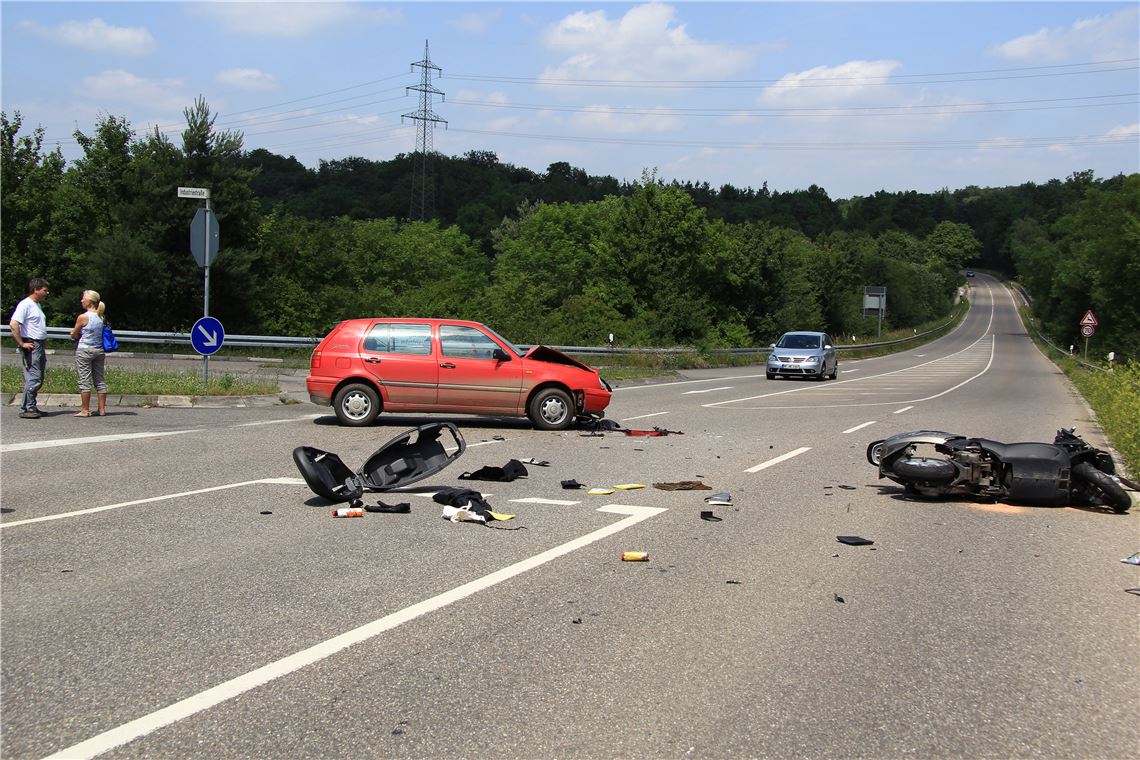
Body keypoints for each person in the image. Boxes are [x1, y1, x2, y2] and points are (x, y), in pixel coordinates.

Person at [9, 277, 50, 419]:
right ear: (36, 290)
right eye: (44, 290)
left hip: (38, 344)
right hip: (31, 344)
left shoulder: (36, 305)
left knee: (37, 377)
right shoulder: (25, 304)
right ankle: (27, 408)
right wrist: (22, 343)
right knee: (34, 377)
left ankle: (31, 405)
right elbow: (14, 324)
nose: (47, 293)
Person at [69, 289, 108, 417]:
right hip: (99, 350)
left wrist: (73, 334)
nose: (81, 300)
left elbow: (75, 334)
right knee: (100, 380)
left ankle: (85, 410)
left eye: (83, 298)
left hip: (85, 350)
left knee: (84, 380)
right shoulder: (101, 317)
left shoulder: (83, 317)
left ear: (89, 301)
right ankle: (102, 409)